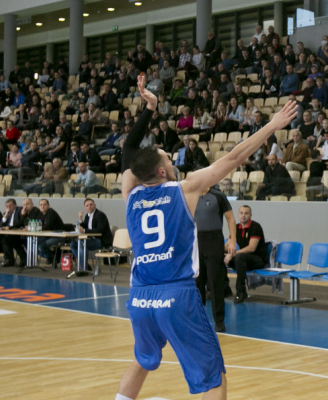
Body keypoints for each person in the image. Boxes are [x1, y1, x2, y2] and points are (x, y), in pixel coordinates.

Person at [115, 70, 294, 399]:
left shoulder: (130, 195)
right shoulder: (185, 189)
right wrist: (272, 126)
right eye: (168, 158)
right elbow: (236, 157)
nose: (172, 159)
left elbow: (128, 149)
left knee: (142, 361)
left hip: (139, 297)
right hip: (176, 296)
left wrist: (149, 110)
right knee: (213, 378)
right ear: (161, 170)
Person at [194, 185, 236, 333]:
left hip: (214, 239)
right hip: (195, 241)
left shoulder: (218, 196)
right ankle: (199, 321)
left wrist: (232, 240)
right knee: (197, 282)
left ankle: (219, 321)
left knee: (215, 281)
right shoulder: (189, 196)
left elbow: (230, 218)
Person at [70, 198, 113, 271]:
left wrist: (84, 231)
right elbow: (84, 226)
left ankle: (84, 268)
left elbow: (99, 230)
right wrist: (80, 219)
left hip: (102, 240)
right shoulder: (87, 215)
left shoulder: (100, 215)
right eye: (87, 205)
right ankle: (84, 265)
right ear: (85, 207)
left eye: (91, 205)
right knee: (73, 244)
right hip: (92, 239)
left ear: (95, 205)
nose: (89, 207)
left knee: (82, 243)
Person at [0, 198, 40, 268]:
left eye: (10, 206)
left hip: (21, 234)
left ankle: (23, 259)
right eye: (7, 206)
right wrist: (5, 215)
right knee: (5, 239)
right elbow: (1, 226)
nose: (8, 208)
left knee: (10, 240)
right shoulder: (7, 213)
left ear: (15, 205)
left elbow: (21, 223)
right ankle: (9, 260)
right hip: (12, 234)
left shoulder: (20, 210)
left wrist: (10, 227)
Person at [36, 199, 65, 264]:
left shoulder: (51, 212)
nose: (42, 206)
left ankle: (52, 257)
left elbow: (48, 225)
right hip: (48, 236)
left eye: (44, 204)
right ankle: (51, 257)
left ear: (48, 205)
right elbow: (38, 224)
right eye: (41, 205)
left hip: (58, 236)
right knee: (33, 244)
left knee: (41, 246)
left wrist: (37, 228)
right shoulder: (40, 214)